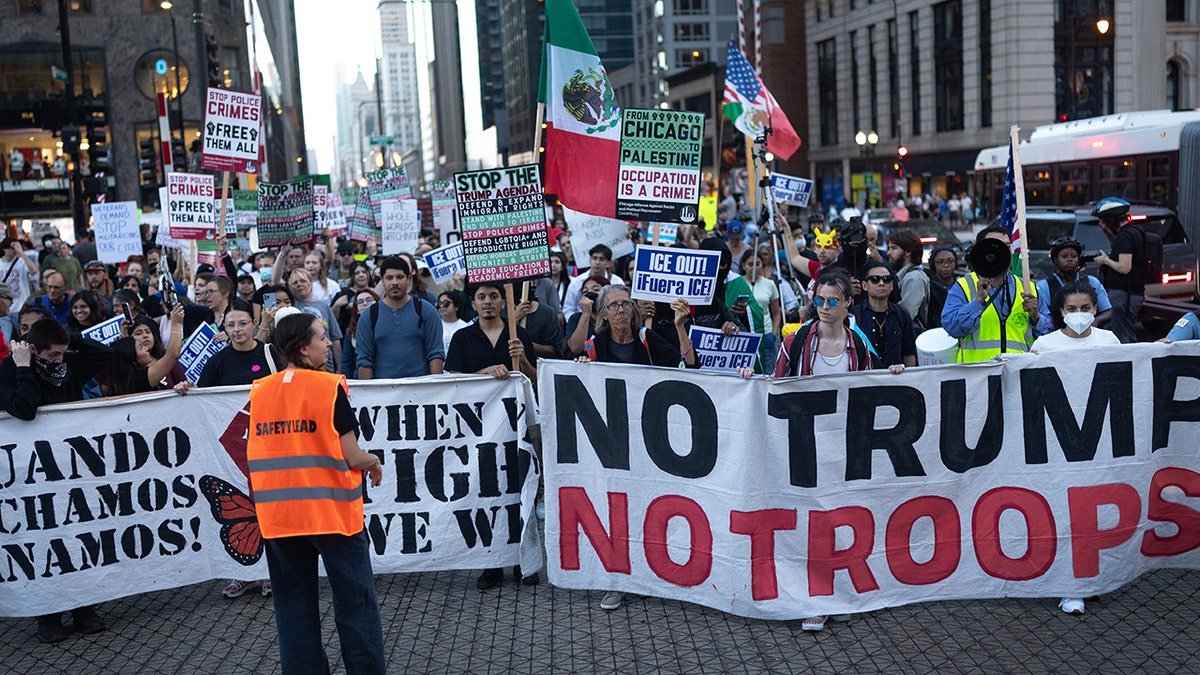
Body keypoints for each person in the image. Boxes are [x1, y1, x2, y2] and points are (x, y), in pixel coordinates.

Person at [247, 313, 386, 675]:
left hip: (279, 519)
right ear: (303, 348)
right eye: (322, 338)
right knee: (356, 604)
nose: (328, 344)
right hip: (332, 514)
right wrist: (374, 460)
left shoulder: (260, 391)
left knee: (294, 609)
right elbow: (351, 455)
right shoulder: (329, 388)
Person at [582, 284, 697, 612]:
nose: (621, 311)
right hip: (611, 441)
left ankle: (646, 573)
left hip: (648, 439)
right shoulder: (595, 346)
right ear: (604, 314)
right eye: (614, 306)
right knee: (614, 508)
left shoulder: (647, 340)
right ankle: (615, 580)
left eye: (626, 305)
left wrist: (679, 326)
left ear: (634, 311)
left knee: (646, 507)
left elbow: (686, 364)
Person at [0, 318, 113, 641]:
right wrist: (23, 367)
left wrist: (69, 337)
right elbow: (24, 408)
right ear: (32, 350)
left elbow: (104, 354)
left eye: (63, 353)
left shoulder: (68, 362)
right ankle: (48, 615)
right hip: (32, 476)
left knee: (79, 537)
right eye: (52, 355)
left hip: (73, 467)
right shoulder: (9, 370)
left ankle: (83, 608)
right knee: (44, 542)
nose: (59, 360)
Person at [1027, 280, 1119, 616]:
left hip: (1100, 441)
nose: (1079, 315)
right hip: (1058, 442)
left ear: (1095, 310)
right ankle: (1070, 586)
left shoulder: (1108, 340)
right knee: (1064, 511)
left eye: (1085, 309)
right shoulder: (1045, 345)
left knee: (1094, 512)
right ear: (1061, 312)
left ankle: (1090, 579)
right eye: (1071, 309)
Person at [445, 283, 540, 592]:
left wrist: (522, 359)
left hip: (516, 429)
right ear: (473, 304)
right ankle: (492, 564)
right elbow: (451, 382)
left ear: (504, 302)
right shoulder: (463, 338)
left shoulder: (518, 335)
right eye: (482, 297)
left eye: (494, 297)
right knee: (486, 495)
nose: (488, 302)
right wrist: (484, 373)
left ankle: (523, 561)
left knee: (519, 492)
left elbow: (536, 380)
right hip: (480, 433)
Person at [941, 226, 1050, 362]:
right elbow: (952, 327)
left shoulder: (1028, 287)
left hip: (1018, 371)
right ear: (982, 250)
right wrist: (978, 301)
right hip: (978, 373)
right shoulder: (964, 286)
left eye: (1007, 246)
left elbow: (1048, 334)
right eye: (996, 246)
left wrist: (1036, 316)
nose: (1003, 251)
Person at [774, 269, 878, 378]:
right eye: (819, 300)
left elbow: (868, 386)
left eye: (832, 301)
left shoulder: (858, 344)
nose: (825, 307)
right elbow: (774, 384)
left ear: (847, 302)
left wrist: (894, 373)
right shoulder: (793, 342)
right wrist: (755, 379)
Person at [356, 256, 444, 379]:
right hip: (383, 392)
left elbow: (435, 354)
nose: (395, 282)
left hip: (422, 391)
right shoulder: (369, 316)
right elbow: (364, 360)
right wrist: (368, 394)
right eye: (389, 278)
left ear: (408, 279)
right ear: (382, 280)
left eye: (400, 277)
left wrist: (436, 389)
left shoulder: (426, 311)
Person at [1091, 197, 1143, 343]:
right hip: (1131, 292)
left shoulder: (1125, 236)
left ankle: (1127, 364)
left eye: (1103, 220)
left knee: (1122, 335)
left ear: (1110, 219)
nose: (1101, 224)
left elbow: (1125, 267)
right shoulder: (1135, 231)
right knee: (1122, 331)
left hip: (1123, 295)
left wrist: (1105, 260)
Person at [102, 307, 186, 395]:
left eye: (148, 332)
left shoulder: (121, 380)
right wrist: (176, 325)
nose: (146, 349)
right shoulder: (138, 379)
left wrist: (123, 333)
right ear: (132, 359)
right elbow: (172, 355)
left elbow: (120, 353)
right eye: (141, 347)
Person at [1036, 237, 1113, 328]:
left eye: (1074, 256)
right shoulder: (1044, 286)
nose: (1070, 259)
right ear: (1055, 260)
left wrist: (1095, 322)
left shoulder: (1091, 282)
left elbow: (1108, 311)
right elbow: (1043, 317)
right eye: (1064, 256)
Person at [851, 263, 917, 369]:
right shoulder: (854, 316)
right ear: (864, 285)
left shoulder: (901, 314)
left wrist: (909, 377)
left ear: (891, 286)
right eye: (875, 279)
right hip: (865, 379)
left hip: (896, 378)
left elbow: (909, 352)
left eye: (886, 279)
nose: (881, 283)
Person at [288, 269, 342, 373]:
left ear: (310, 283)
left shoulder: (324, 306)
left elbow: (335, 338)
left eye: (302, 281)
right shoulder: (291, 306)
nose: (299, 284)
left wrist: (339, 366)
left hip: (327, 365)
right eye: (295, 282)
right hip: (301, 365)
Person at [562, 245, 625, 319]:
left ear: (609, 263)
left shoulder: (617, 282)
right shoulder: (577, 282)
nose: (597, 262)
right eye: (594, 258)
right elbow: (568, 308)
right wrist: (577, 322)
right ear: (589, 260)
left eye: (601, 259)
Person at [887, 228, 930, 330]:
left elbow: (906, 316)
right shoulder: (904, 276)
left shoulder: (914, 278)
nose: (889, 253)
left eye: (894, 248)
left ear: (908, 252)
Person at [564, 275, 611, 357]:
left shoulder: (613, 317)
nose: (590, 293)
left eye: (596, 289)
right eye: (585, 291)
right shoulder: (575, 318)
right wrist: (586, 313)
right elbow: (575, 348)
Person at [340, 289, 378, 378]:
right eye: (360, 302)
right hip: (359, 379)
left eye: (369, 300)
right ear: (356, 309)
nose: (365, 304)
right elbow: (346, 362)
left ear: (377, 302)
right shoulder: (351, 332)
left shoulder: (386, 325)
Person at [925, 246, 961, 330]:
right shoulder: (929, 285)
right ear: (933, 264)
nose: (946, 265)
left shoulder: (961, 284)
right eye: (940, 262)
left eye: (950, 261)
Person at [1, 237, 38, 311]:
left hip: (22, 306)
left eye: (16, 248)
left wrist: (22, 253)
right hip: (4, 308)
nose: (14, 250)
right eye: (12, 248)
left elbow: (34, 271)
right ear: (4, 249)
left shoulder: (22, 261)